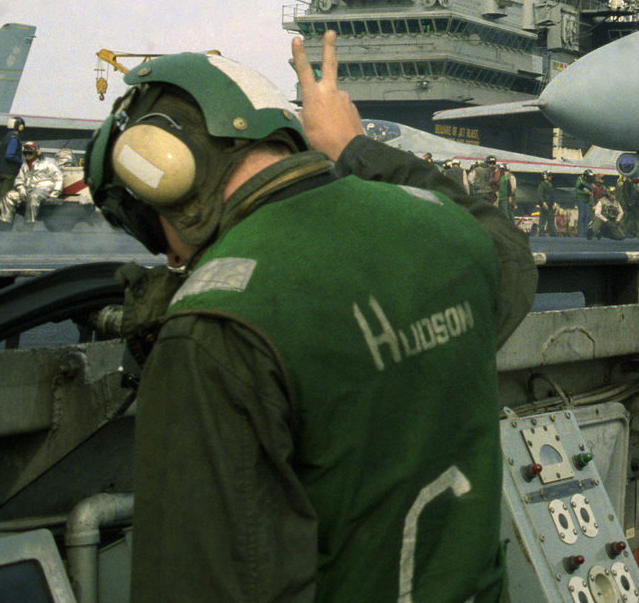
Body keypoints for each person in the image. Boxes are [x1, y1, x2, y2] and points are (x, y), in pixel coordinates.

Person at [85, 32, 535, 603]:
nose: (172, 256)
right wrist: (353, 146)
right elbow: (509, 249)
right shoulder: (451, 235)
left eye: (150, 227)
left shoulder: (213, 329)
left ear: (171, 174)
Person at [0, 141, 63, 223]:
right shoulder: (24, 165)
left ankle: (28, 225)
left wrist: (55, 192)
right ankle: (5, 223)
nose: (27, 155)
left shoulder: (48, 162)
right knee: (9, 196)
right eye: (25, 153)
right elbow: (19, 179)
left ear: (37, 152)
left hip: (43, 188)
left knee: (33, 197)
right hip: (27, 189)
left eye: (30, 152)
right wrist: (21, 189)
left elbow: (59, 177)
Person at [0, 116, 25, 205]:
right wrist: (21, 163)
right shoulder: (14, 139)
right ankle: (2, 217)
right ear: (20, 127)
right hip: (9, 173)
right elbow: (9, 155)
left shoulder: (5, 137)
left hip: (0, 171)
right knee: (6, 197)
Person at [574, 171, 594, 237]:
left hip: (587, 200)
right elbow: (578, 190)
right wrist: (587, 193)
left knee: (587, 216)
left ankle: (586, 231)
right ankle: (580, 232)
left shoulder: (588, 181)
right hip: (580, 200)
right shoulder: (579, 180)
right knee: (582, 215)